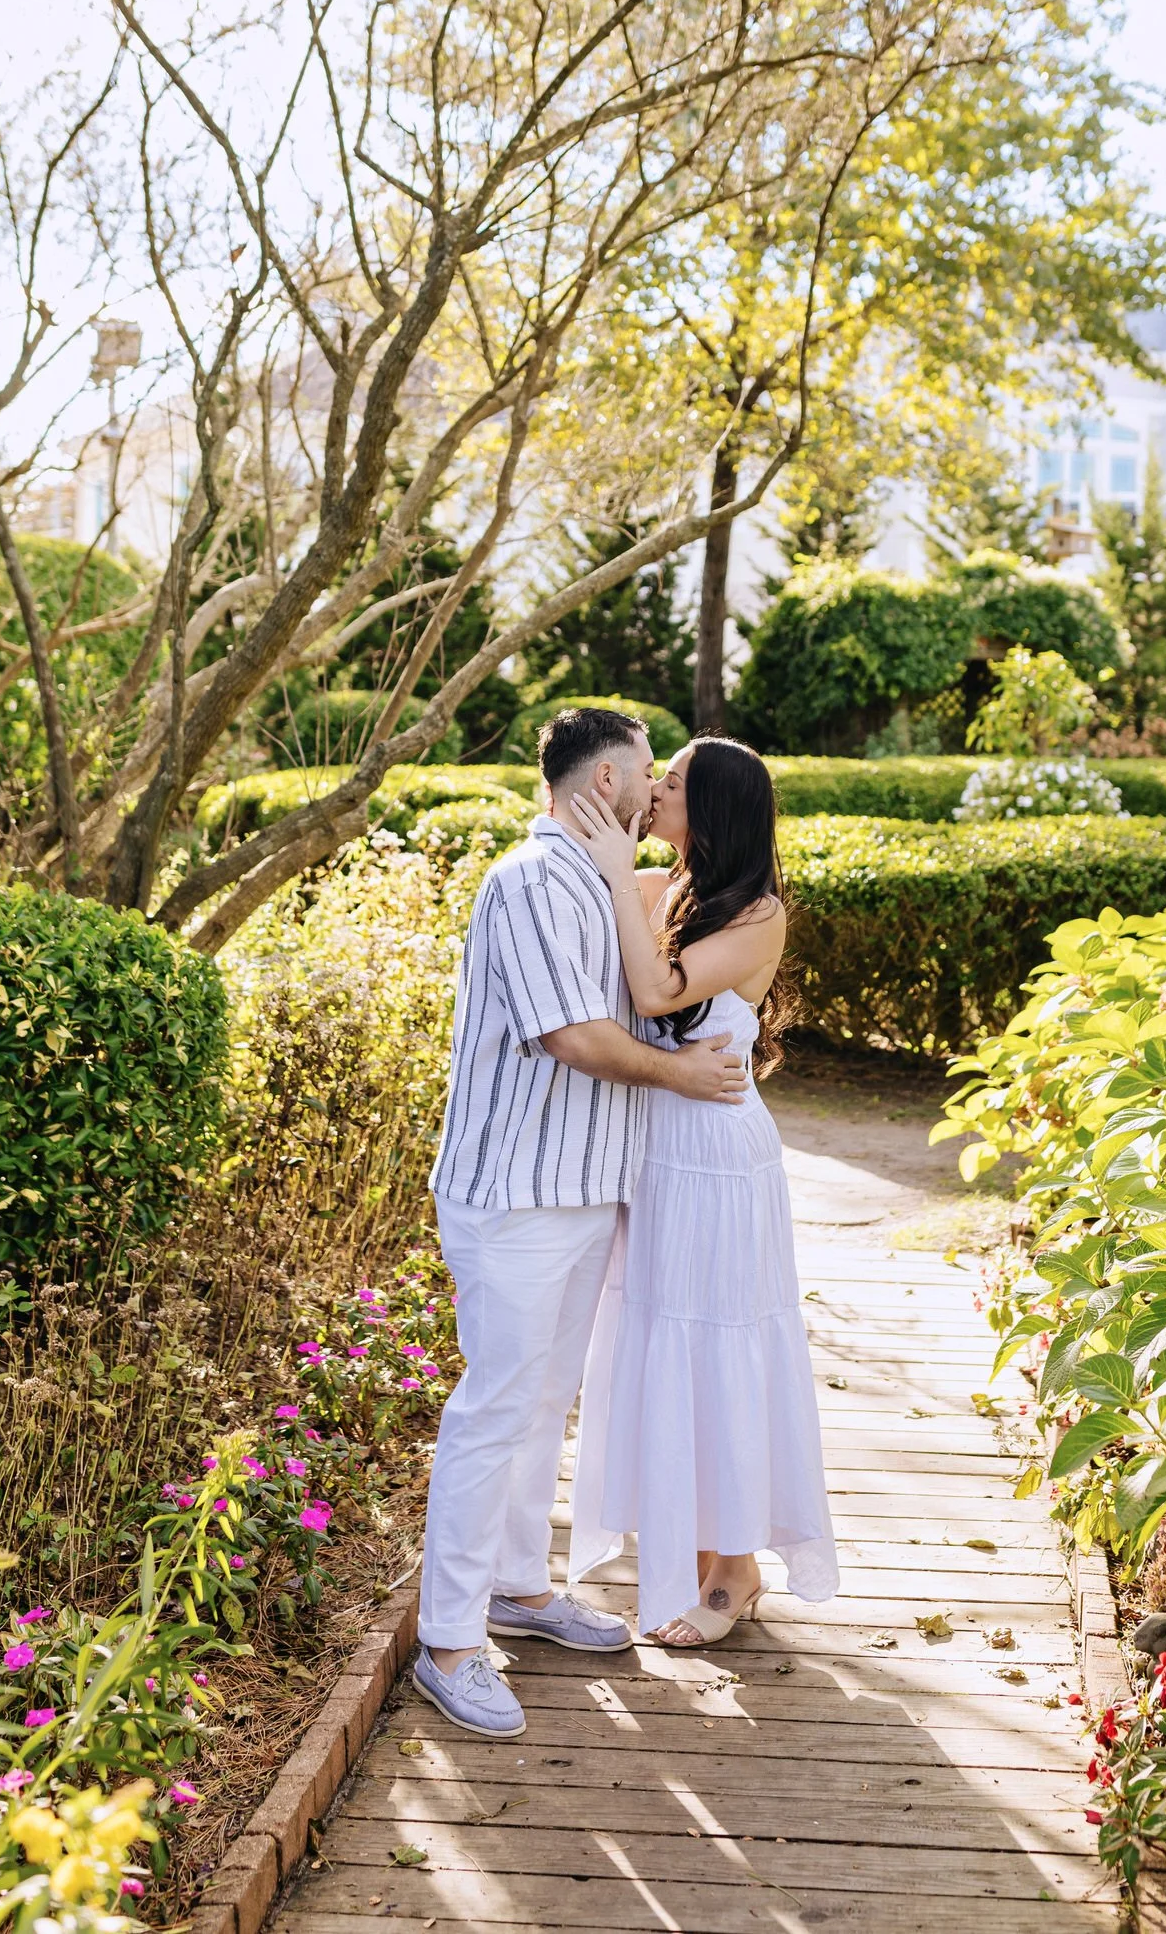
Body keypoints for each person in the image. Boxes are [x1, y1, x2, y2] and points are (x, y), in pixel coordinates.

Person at [413, 705, 751, 1738]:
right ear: (606, 781)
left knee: (542, 1403)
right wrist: (681, 1075)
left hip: (582, 1187)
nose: (655, 789)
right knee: (496, 1408)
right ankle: (449, 1642)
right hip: (517, 1194)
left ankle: (519, 1586)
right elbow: (571, 1035)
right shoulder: (530, 881)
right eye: (648, 771)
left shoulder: (598, 880)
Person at [567, 734, 839, 1645]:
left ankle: (736, 1567)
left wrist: (620, 876)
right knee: (660, 1340)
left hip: (720, 1157)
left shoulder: (759, 914)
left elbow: (655, 994)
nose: (655, 791)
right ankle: (685, 1545)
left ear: (712, 806)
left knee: (720, 1343)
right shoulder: (668, 887)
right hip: (657, 1149)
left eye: (673, 783)